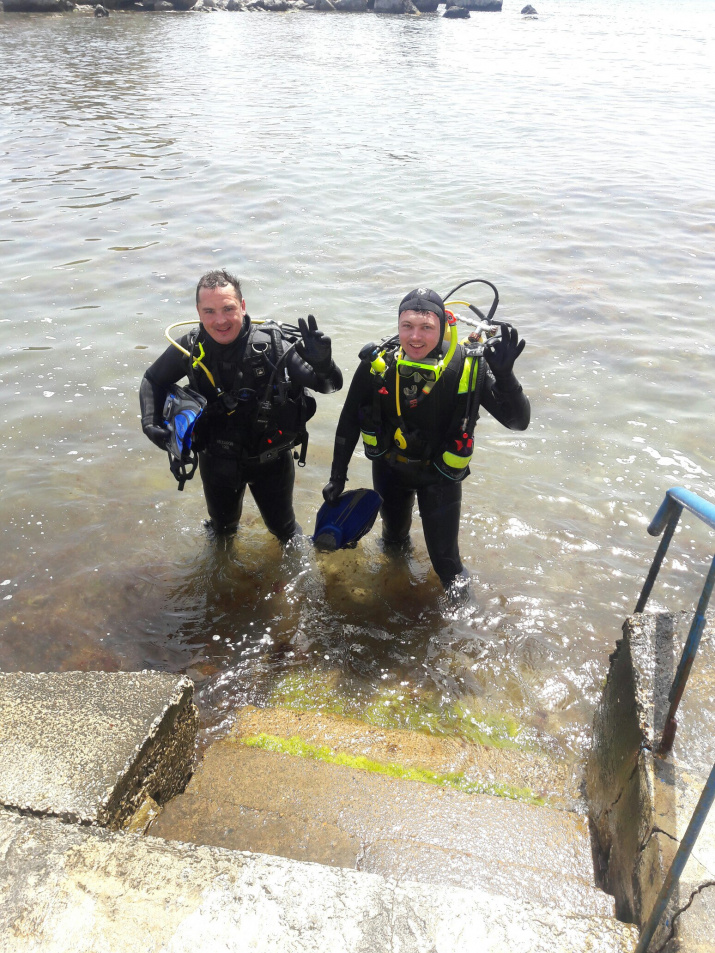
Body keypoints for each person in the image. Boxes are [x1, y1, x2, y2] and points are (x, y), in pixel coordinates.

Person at [322, 287, 530, 590]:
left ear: (443, 327)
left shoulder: (468, 367)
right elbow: (348, 422)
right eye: (407, 326)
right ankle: (395, 596)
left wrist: (507, 376)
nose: (415, 337)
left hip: (440, 477)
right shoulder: (379, 365)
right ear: (397, 326)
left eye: (426, 328)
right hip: (390, 470)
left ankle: (463, 634)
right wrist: (337, 477)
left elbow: (518, 422)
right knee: (392, 542)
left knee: (447, 566)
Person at [140, 270, 343, 541]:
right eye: (210, 311)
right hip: (216, 461)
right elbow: (153, 380)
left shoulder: (273, 346)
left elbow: (329, 386)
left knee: (285, 531)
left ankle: (298, 580)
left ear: (243, 306)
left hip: (270, 462)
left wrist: (324, 365)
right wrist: (149, 423)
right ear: (199, 312)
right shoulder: (191, 347)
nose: (220, 320)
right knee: (221, 531)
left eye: (228, 308)